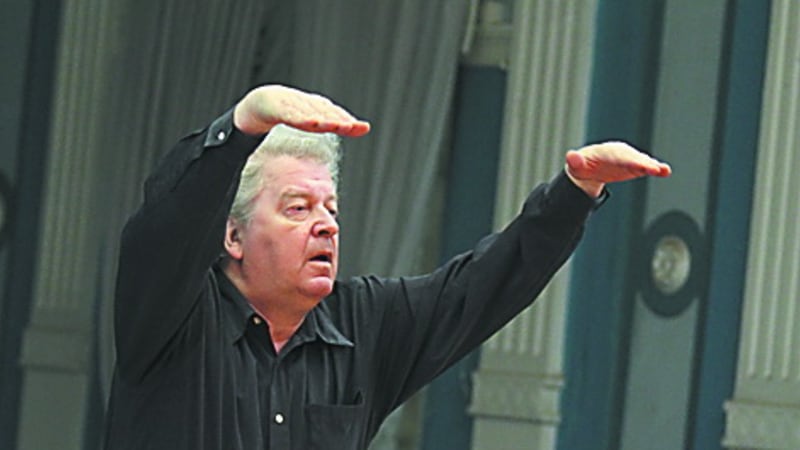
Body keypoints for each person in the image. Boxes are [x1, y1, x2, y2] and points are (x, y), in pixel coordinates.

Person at [102, 85, 671, 450]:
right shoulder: (172, 314)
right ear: (233, 235)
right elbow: (163, 225)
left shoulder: (363, 323)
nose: (326, 226)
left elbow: (481, 287)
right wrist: (243, 124)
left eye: (331, 209)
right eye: (298, 209)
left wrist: (575, 192)